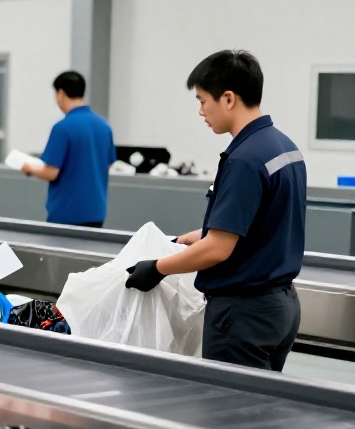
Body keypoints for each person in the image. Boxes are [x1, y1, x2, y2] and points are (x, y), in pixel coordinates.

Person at [125, 50, 306, 371]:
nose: (200, 111)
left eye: (202, 100)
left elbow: (219, 248)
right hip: (282, 307)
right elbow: (254, 224)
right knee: (261, 411)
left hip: (243, 314)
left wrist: (158, 267)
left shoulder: (244, 159)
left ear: (228, 99)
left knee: (233, 416)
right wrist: (187, 239)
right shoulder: (284, 147)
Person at [22, 71, 114, 227]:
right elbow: (108, 163)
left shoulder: (63, 128)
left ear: (60, 94)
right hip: (96, 212)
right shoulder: (104, 126)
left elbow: (51, 172)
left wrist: (29, 168)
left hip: (67, 213)